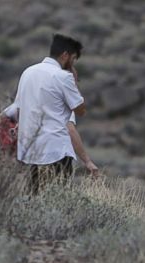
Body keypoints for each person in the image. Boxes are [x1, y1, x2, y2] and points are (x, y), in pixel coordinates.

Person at [5, 33, 89, 192]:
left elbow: (16, 108)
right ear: (65, 55)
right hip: (56, 149)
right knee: (59, 199)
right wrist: (74, 79)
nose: (73, 64)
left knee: (33, 197)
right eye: (73, 59)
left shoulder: (28, 72)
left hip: (31, 150)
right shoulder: (63, 77)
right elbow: (80, 110)